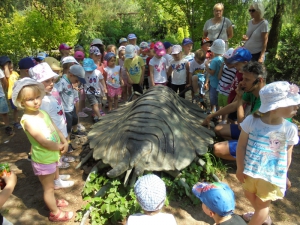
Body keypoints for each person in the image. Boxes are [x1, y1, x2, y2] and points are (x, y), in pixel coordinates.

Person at [236, 81, 299, 225]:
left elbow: (287, 155)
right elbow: (241, 146)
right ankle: (263, 216)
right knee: (248, 193)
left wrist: (284, 175)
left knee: (263, 204)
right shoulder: (251, 121)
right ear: (275, 108)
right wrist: (240, 168)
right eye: (292, 104)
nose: (297, 107)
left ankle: (260, 216)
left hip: (271, 175)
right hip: (251, 170)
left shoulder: (289, 129)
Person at [12, 78, 73, 222]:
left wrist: (64, 140)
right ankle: (55, 212)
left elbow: (54, 128)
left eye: (37, 97)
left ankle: (51, 202)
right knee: (48, 188)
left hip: (52, 155)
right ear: (21, 102)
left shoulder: (42, 113)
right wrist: (59, 147)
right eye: (30, 99)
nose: (35, 102)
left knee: (51, 186)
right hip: (43, 159)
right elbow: (43, 141)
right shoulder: (28, 120)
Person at [202, 61, 266, 161]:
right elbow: (234, 105)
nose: (242, 82)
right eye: (243, 78)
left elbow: (242, 126)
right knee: (219, 128)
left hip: (262, 142)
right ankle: (240, 146)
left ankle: (252, 159)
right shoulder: (253, 91)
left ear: (259, 80)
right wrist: (212, 115)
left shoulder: (265, 100)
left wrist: (240, 98)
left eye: (247, 80)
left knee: (217, 149)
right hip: (250, 132)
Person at [30, 62, 75, 185]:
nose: (51, 83)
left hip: (60, 126)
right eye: (46, 81)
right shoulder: (42, 101)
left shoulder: (50, 92)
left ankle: (57, 176)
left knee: (57, 157)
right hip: (53, 132)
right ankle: (56, 181)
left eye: (52, 80)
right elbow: (45, 120)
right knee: (55, 157)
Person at [54, 64, 87, 143]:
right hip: (66, 109)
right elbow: (56, 92)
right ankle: (67, 141)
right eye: (76, 80)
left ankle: (75, 131)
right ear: (71, 75)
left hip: (71, 106)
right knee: (68, 127)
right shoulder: (63, 82)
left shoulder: (69, 80)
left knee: (75, 120)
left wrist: (74, 87)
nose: (77, 82)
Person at [82, 58, 106, 122]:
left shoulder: (98, 72)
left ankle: (96, 113)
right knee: (94, 104)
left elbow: (102, 80)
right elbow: (80, 81)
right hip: (88, 91)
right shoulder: (84, 73)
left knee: (99, 103)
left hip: (97, 90)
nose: (89, 71)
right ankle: (99, 116)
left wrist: (104, 87)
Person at [205, 39, 225, 114]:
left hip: (213, 84)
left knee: (213, 99)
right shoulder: (223, 59)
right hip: (220, 84)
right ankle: (218, 114)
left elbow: (212, 72)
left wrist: (207, 66)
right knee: (218, 102)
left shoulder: (214, 60)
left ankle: (213, 113)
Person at [217, 48, 236, 124]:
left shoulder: (235, 70)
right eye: (225, 61)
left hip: (227, 92)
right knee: (220, 104)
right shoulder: (225, 66)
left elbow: (233, 82)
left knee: (225, 107)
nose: (227, 64)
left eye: (229, 62)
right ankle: (218, 117)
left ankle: (223, 120)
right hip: (221, 89)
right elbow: (219, 77)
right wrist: (222, 67)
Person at [0, 56, 13, 136]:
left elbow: (4, 81)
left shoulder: (0, 71)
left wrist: (3, 90)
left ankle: (7, 126)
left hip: (0, 95)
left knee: (4, 113)